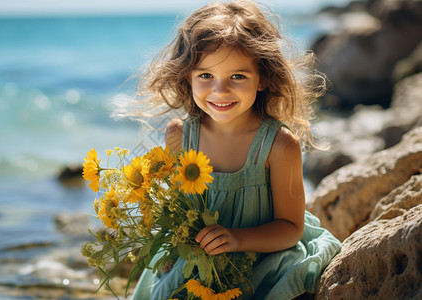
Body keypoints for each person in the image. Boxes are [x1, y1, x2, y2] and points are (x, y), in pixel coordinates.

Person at [124, 0, 342, 299]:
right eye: (205, 76)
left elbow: (290, 228)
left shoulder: (277, 145)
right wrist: (171, 247)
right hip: (198, 265)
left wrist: (237, 239)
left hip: (263, 260)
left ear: (263, 78)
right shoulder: (179, 135)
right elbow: (180, 209)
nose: (220, 90)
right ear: (187, 77)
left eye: (237, 76)